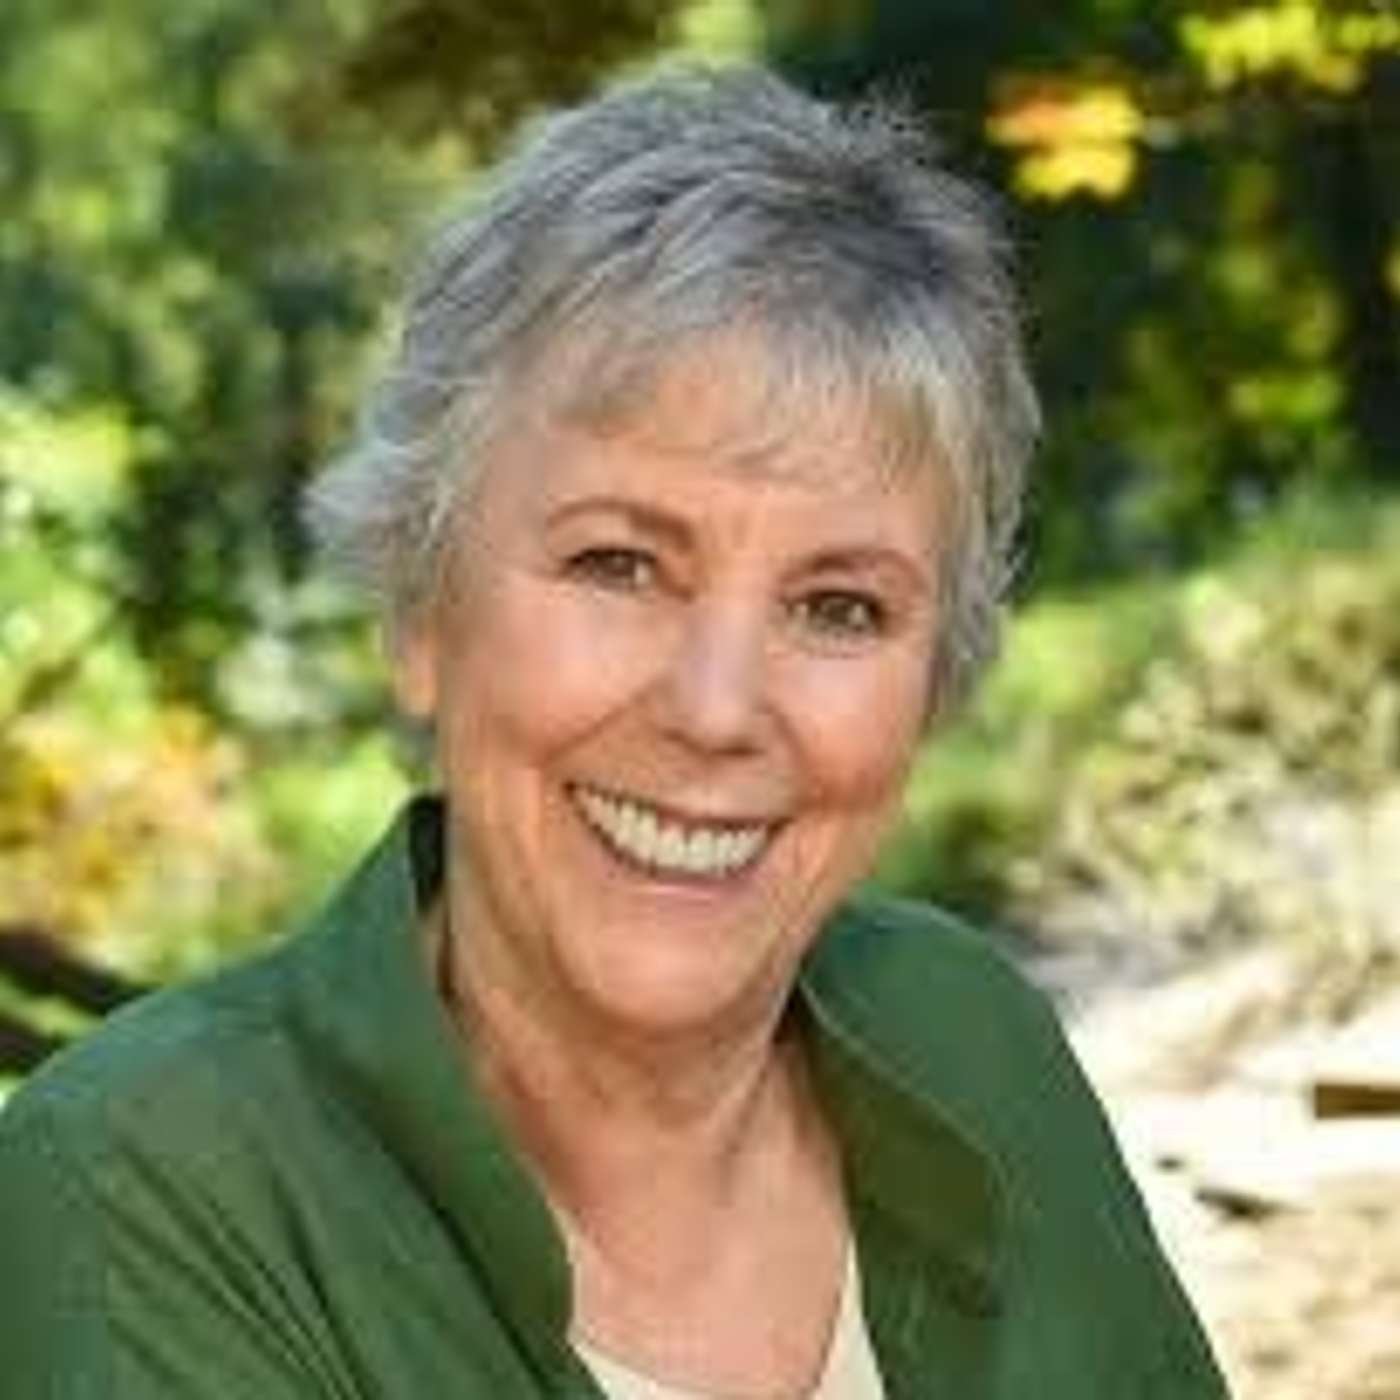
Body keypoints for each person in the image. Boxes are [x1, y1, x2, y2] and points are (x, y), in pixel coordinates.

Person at [0, 66, 1229, 1398]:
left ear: (933, 675)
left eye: (838, 606)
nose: (715, 710)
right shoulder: (138, 1191)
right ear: (420, 610)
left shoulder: (971, 1037)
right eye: (620, 566)